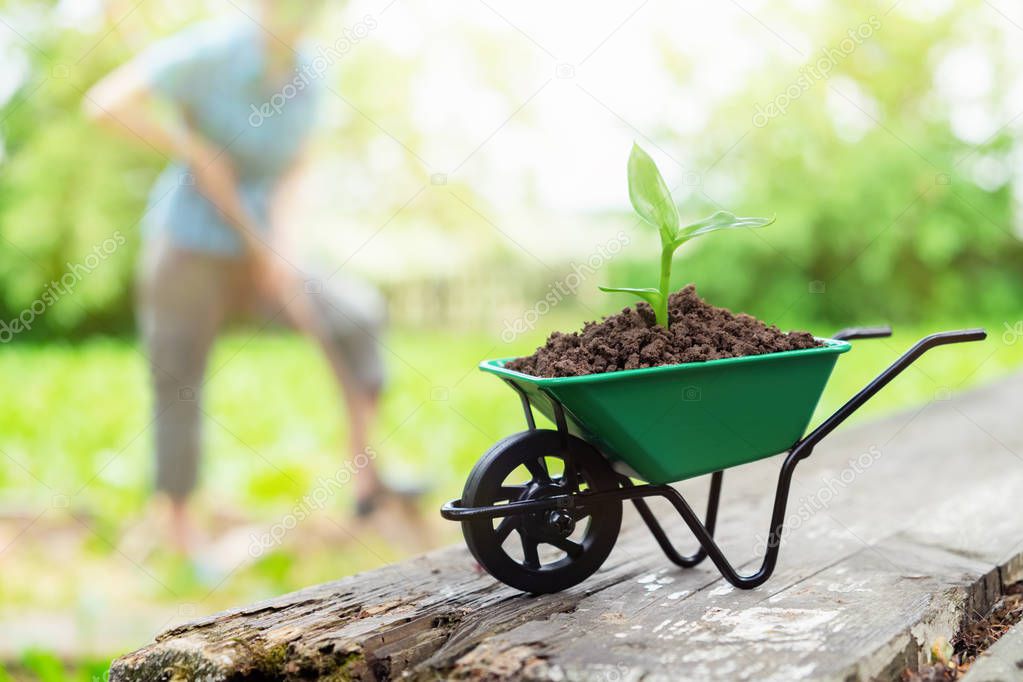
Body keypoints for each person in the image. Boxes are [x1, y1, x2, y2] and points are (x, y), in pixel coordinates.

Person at [84, 1, 396, 554]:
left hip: (265, 243)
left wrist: (280, 250)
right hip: (189, 246)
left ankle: (366, 475)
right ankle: (180, 530)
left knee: (355, 315)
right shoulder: (210, 50)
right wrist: (192, 146)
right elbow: (104, 105)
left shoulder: (310, 75)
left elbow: (298, 167)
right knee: (178, 377)